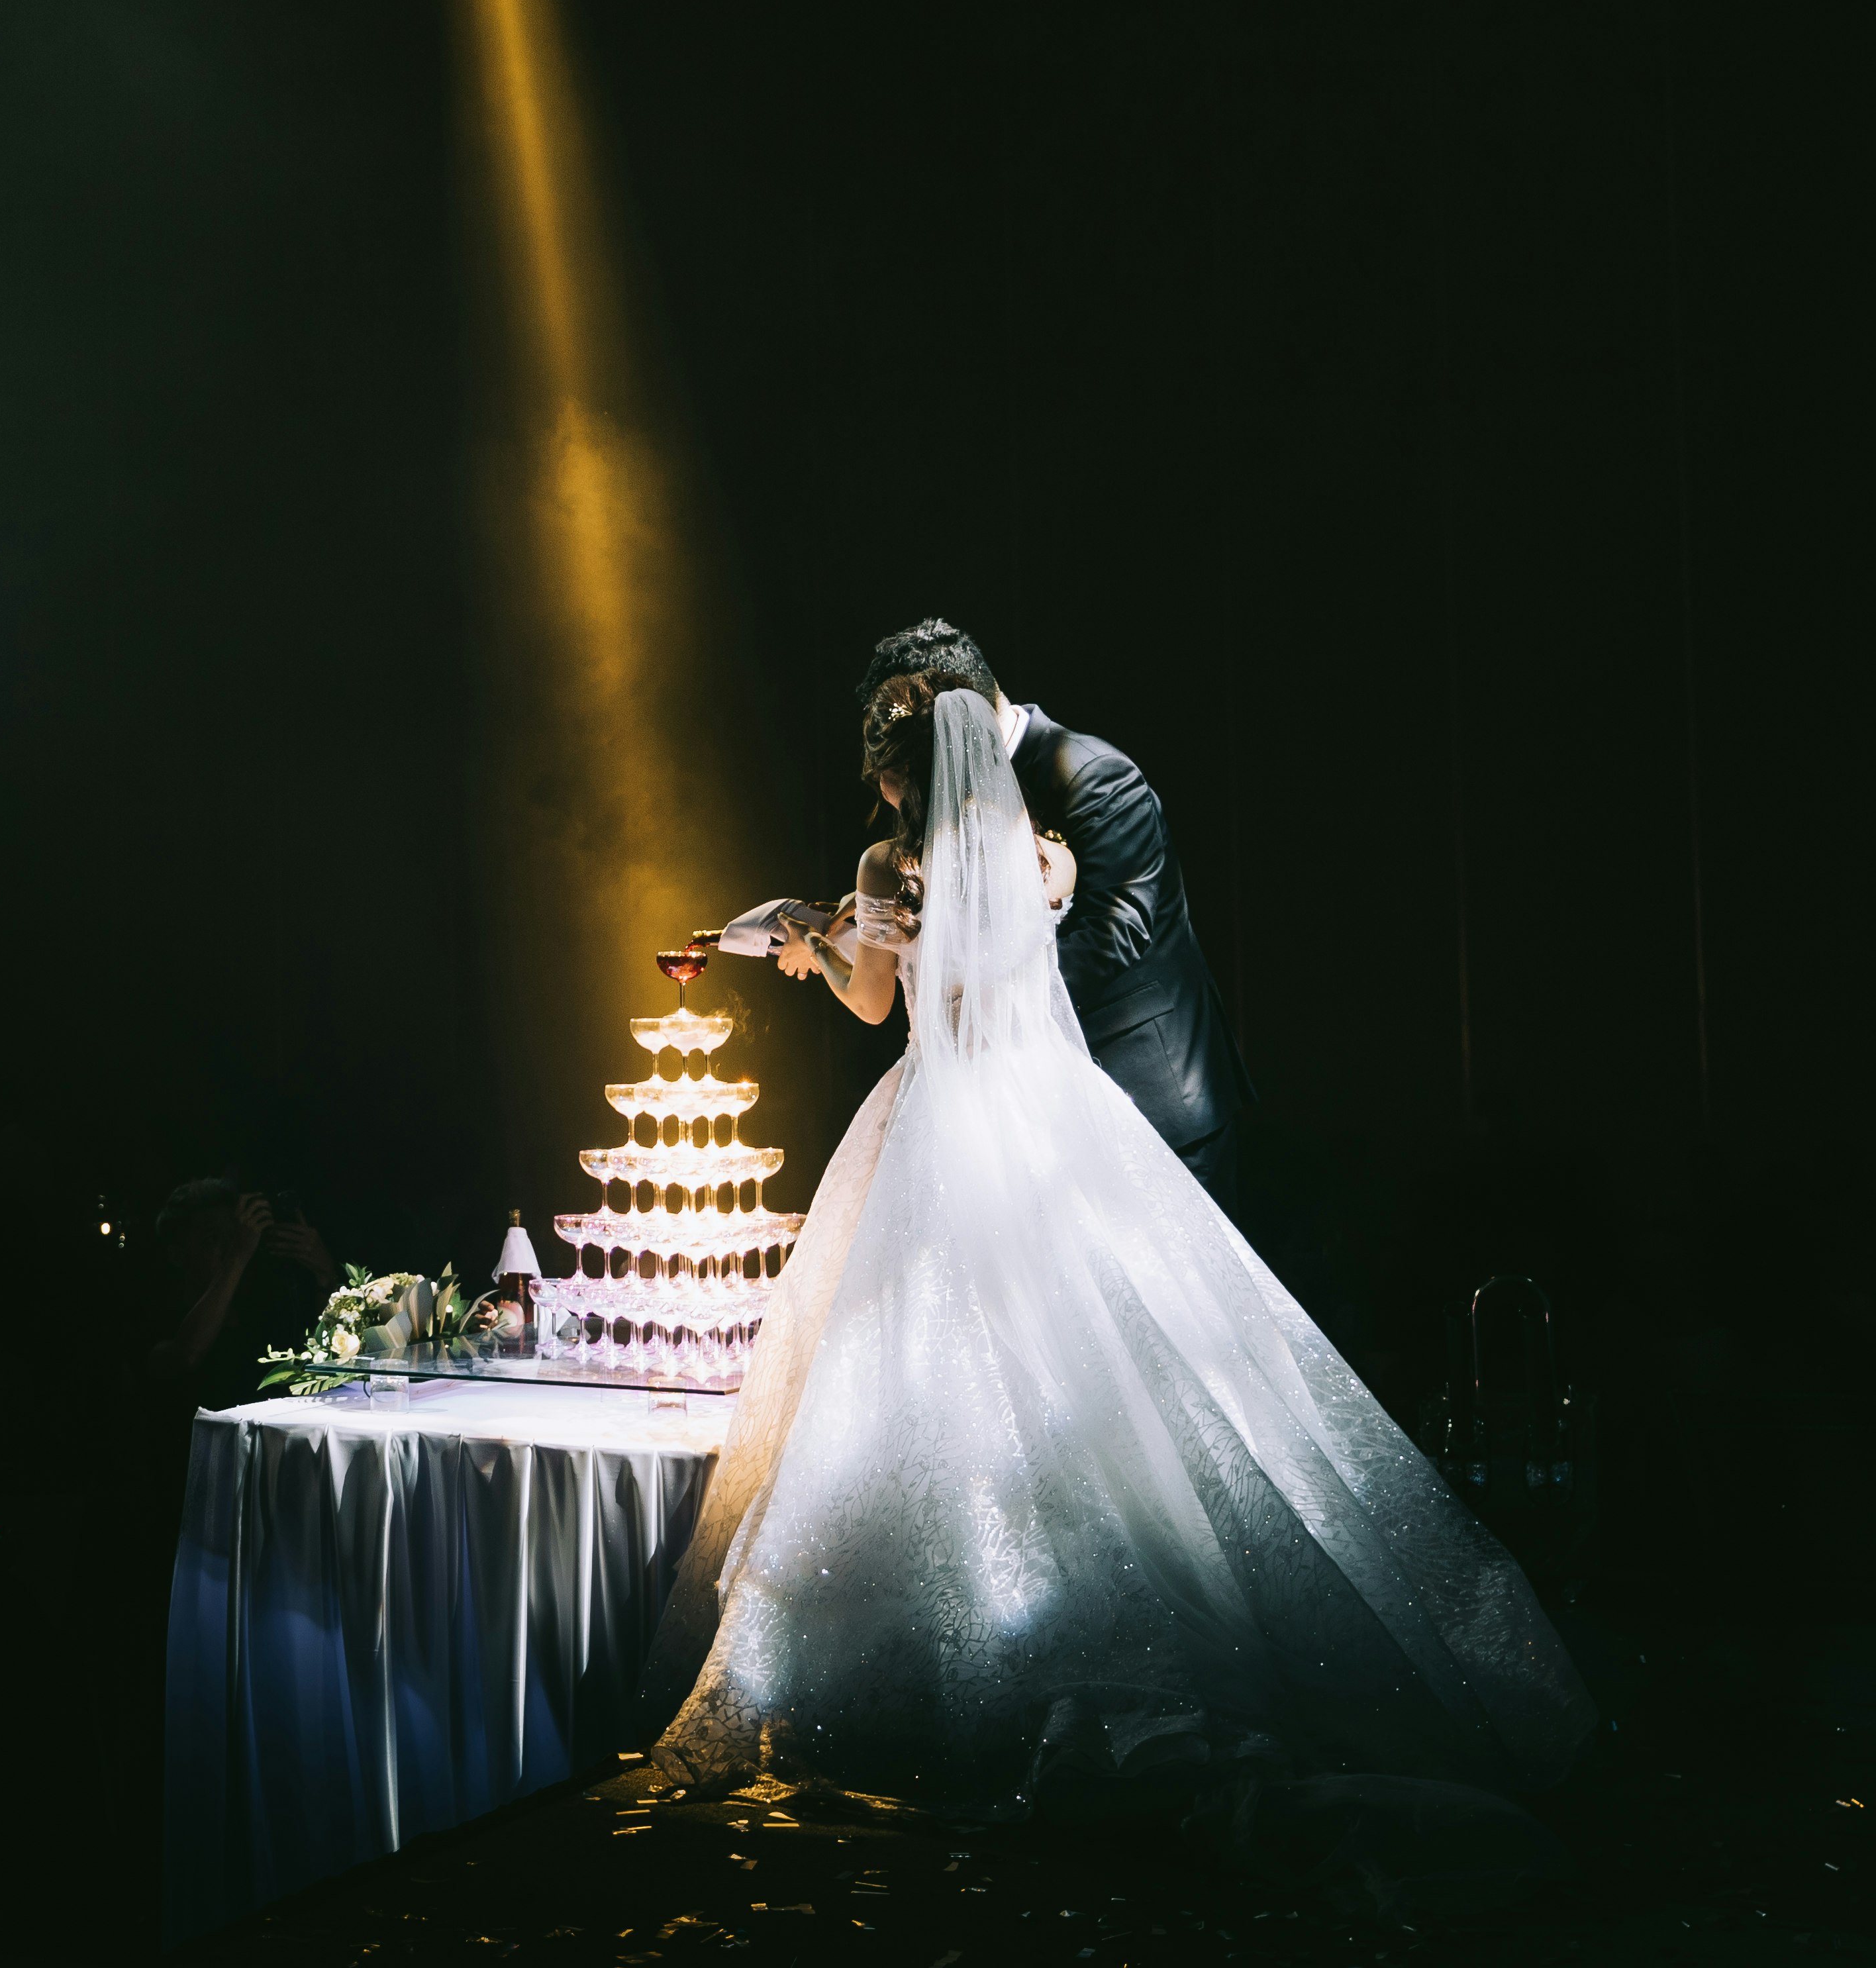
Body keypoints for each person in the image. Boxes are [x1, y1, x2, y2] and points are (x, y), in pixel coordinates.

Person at [654, 685, 1592, 1802]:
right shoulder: (1036, 854)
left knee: (914, 1357)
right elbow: (1045, 968)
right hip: (1041, 1106)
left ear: (895, 778)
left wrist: (814, 935)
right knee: (1090, 1354)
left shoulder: (879, 874)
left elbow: (870, 1011)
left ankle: (925, 1661)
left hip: (932, 1114)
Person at [775, 617, 1255, 1210]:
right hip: (1016, 1116)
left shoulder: (1091, 773)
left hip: (1139, 1097)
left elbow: (1116, 933)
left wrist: (975, 1002)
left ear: (949, 711)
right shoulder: (986, 823)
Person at [140, 1179, 339, 1421]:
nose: (228, 1247)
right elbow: (186, 1356)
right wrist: (239, 1253)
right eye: (213, 1238)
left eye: (233, 1236)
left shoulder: (261, 1301)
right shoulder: (155, 1312)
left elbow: (319, 1361)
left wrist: (324, 1274)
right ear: (177, 1253)